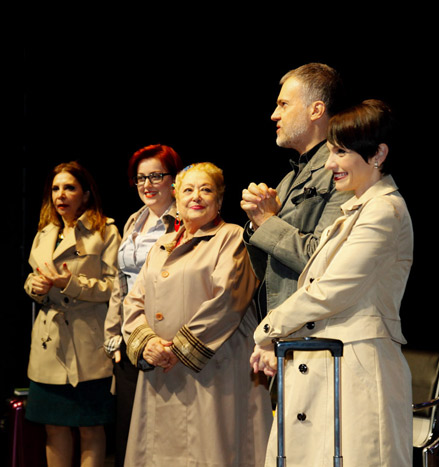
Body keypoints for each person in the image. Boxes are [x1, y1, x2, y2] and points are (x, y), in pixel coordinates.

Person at [251, 100, 414, 466]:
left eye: (340, 152)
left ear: (378, 154)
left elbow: (332, 290)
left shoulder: (385, 210)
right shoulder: (354, 211)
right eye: (329, 152)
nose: (330, 164)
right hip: (328, 365)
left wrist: (268, 330)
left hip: (357, 371)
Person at [121, 162, 273, 466]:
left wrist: (177, 349)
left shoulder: (231, 237)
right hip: (162, 370)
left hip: (215, 367)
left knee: (214, 451)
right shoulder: (161, 246)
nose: (197, 197)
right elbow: (134, 301)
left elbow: (228, 298)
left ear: (218, 200)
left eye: (206, 190)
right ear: (176, 200)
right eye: (188, 190)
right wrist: (146, 343)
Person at [24, 161, 121, 467]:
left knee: (90, 427)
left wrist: (71, 284)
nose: (60, 195)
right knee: (54, 427)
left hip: (87, 343)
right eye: (55, 188)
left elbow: (115, 287)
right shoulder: (45, 232)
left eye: (69, 187)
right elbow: (31, 278)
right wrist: (35, 286)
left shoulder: (105, 231)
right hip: (48, 345)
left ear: (87, 194)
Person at [240, 63, 352, 319]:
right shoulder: (289, 180)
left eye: (284, 104)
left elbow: (323, 259)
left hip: (319, 332)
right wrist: (255, 225)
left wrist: (265, 221)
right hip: (285, 332)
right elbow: (269, 273)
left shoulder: (344, 172)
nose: (274, 115)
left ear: (316, 110)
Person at [102, 144, 183, 467]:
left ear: (174, 180)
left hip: (164, 334)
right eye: (140, 179)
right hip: (130, 336)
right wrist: (113, 335)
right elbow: (118, 283)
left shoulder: (185, 220)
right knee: (128, 434)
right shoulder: (134, 221)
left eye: (156, 176)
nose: (147, 185)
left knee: (164, 433)